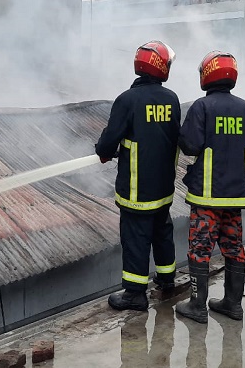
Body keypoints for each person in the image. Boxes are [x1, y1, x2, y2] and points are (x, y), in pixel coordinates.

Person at [175, 51, 245, 323]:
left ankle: (197, 306)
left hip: (207, 198)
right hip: (235, 197)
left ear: (206, 75)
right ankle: (232, 305)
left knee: (200, 251)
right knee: (233, 248)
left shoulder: (202, 108)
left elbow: (190, 145)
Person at [95, 41, 181, 311]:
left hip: (136, 188)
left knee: (135, 239)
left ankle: (134, 294)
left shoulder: (127, 100)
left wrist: (103, 151)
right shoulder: (171, 99)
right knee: (162, 232)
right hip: (164, 186)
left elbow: (109, 140)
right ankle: (167, 279)